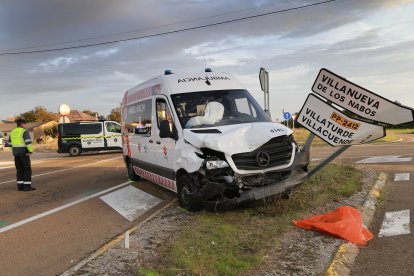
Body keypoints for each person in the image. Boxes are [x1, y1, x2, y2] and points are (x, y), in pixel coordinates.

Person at [8, 118, 35, 191]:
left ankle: (20, 187)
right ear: (22, 124)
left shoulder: (12, 132)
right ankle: (27, 187)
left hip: (16, 154)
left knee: (19, 170)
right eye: (24, 124)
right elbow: (28, 142)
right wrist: (30, 151)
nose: (24, 125)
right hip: (23, 153)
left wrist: (15, 151)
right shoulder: (24, 131)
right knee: (27, 169)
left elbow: (10, 144)